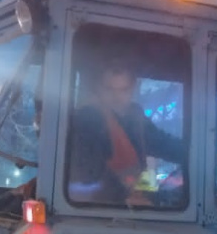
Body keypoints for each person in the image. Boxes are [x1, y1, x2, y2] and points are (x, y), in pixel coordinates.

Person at [68, 61, 187, 207]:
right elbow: (90, 169)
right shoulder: (88, 119)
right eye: (109, 89)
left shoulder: (135, 116)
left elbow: (162, 143)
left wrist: (199, 155)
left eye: (123, 90)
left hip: (133, 201)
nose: (116, 97)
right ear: (99, 89)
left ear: (133, 88)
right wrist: (121, 197)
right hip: (98, 207)